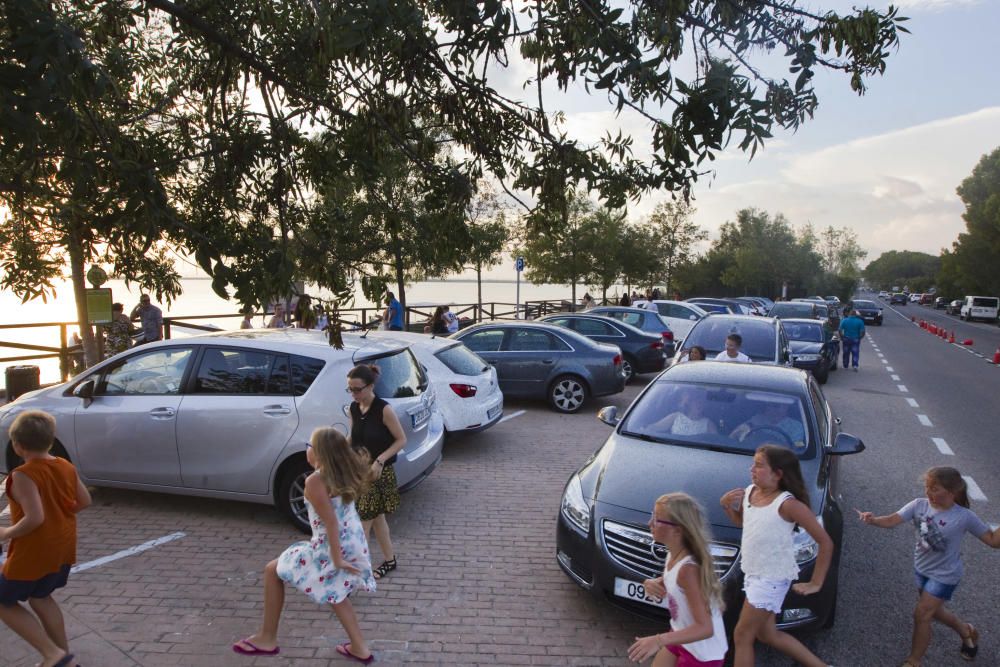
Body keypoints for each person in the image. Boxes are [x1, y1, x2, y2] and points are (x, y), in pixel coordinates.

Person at [232, 427, 376, 664]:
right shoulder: (342, 473)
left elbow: (330, 521)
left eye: (310, 445)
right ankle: (360, 648)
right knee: (335, 591)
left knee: (271, 571)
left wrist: (336, 558)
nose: (307, 449)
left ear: (320, 453)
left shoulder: (315, 480)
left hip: (331, 545)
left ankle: (267, 638)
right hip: (351, 541)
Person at [857, 467, 1000, 667]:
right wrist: (873, 520)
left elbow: (993, 540)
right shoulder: (919, 505)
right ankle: (966, 631)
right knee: (936, 612)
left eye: (934, 488)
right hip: (922, 570)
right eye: (927, 487)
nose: (928, 492)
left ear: (952, 492)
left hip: (945, 575)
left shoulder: (964, 516)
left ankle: (914, 661)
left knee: (922, 614)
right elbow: (892, 520)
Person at [720, 445, 834, 667]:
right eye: (753, 463)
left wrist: (816, 583)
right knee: (768, 635)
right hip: (754, 573)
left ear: (778, 474)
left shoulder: (788, 504)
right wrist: (728, 507)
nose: (752, 469)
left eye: (760, 465)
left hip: (771, 578)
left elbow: (825, 542)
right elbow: (747, 525)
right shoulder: (751, 491)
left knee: (742, 636)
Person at [0, 410, 91, 667]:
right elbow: (85, 501)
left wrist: (6, 532)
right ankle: (64, 658)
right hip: (62, 547)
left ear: (18, 446)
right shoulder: (65, 466)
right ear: (50, 440)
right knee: (40, 596)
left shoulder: (23, 475)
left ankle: (53, 655)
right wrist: (60, 514)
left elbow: (35, 518)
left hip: (34, 551)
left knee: (4, 601)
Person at [628, 493, 728, 666]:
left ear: (678, 530)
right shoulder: (673, 553)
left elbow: (705, 628)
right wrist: (652, 582)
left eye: (657, 519)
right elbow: (674, 581)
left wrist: (658, 640)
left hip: (702, 655)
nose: (650, 523)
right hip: (681, 635)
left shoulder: (689, 570)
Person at [347, 364, 407, 580]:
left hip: (379, 475)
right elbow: (353, 438)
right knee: (377, 520)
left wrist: (380, 460)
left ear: (371, 386)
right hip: (361, 473)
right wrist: (335, 452)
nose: (354, 394)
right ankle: (390, 561)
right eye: (350, 390)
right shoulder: (353, 408)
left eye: (358, 389)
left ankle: (356, 573)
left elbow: (401, 440)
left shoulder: (384, 409)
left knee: (363, 526)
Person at [730, 400, 806, 450]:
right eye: (768, 405)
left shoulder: (797, 426)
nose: (771, 408)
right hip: (752, 453)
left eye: (776, 405)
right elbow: (735, 435)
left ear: (786, 407)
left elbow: (797, 446)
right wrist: (743, 429)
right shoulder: (757, 419)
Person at [651, 391, 718, 437]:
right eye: (696, 400)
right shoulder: (676, 417)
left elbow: (717, 442)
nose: (699, 404)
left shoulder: (708, 424)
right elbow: (655, 427)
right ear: (689, 403)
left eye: (702, 401)